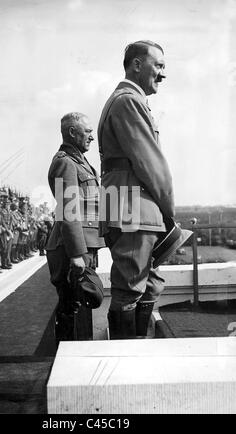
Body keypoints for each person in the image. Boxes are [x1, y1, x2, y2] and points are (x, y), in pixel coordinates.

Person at [98, 40, 174, 339]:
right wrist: (169, 210)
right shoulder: (128, 100)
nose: (163, 74)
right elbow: (150, 163)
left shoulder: (127, 100)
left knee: (148, 283)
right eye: (159, 65)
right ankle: (125, 362)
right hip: (134, 208)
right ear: (137, 65)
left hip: (132, 206)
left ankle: (137, 354)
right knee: (131, 288)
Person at [46, 112, 105, 344]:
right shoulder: (65, 162)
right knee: (73, 307)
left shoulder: (79, 161)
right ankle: (66, 361)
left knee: (81, 305)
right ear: (72, 132)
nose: (92, 137)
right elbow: (69, 211)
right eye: (88, 132)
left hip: (83, 245)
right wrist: (77, 253)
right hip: (73, 248)